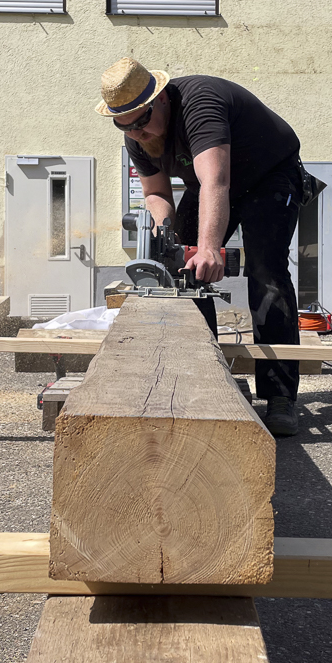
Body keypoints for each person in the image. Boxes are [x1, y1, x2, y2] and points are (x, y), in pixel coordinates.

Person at [97, 56, 304, 437]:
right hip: (213, 186)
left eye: (141, 123)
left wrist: (208, 248)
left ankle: (279, 398)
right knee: (182, 269)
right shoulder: (136, 135)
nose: (137, 135)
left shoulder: (200, 104)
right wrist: (163, 244)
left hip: (269, 175)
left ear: (159, 99)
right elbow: (157, 194)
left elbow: (216, 182)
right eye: (123, 126)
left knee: (265, 270)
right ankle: (206, 377)